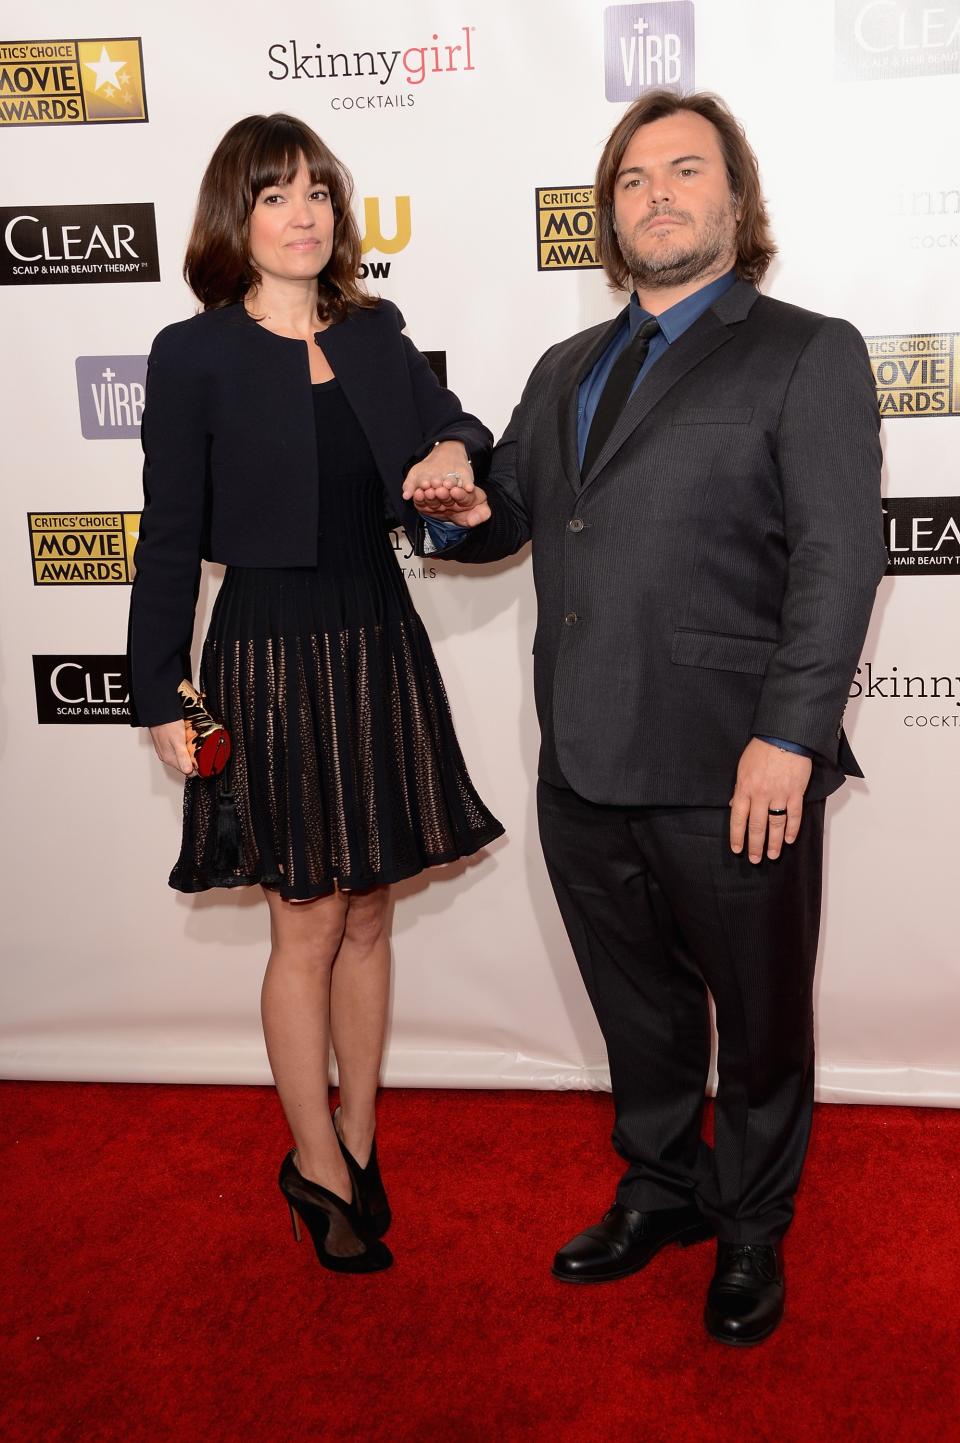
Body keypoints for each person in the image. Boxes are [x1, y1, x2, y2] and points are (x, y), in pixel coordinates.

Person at [406, 90, 886, 1343]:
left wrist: (790, 736)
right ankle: (663, 1187)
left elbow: (841, 558)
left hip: (736, 761)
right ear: (607, 212)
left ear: (738, 201)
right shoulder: (566, 366)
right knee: (640, 1005)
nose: (656, 194)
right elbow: (511, 515)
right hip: (583, 756)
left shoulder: (806, 349)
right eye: (632, 179)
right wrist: (458, 503)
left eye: (686, 171)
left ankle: (752, 1228)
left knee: (763, 1017)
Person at [127, 113, 503, 1276]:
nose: (304, 214)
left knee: (373, 908)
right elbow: (169, 538)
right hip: (270, 653)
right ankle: (313, 1165)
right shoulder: (191, 354)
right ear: (235, 218)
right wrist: (155, 692)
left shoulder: (376, 332)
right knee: (307, 917)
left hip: (379, 639)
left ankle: (359, 1133)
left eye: (319, 193)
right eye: (277, 194)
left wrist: (453, 448)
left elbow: (450, 427)